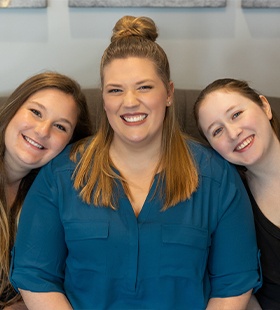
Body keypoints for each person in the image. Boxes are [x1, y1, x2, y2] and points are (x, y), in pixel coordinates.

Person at [10, 17, 261, 309]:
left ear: (168, 93)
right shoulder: (60, 174)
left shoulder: (217, 177)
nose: (129, 102)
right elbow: (36, 275)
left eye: (144, 88)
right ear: (103, 99)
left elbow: (234, 283)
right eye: (115, 90)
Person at [0, 71, 93, 310]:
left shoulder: (54, 194)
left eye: (60, 126)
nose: (42, 131)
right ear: (13, 108)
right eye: (36, 112)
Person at [193, 78, 280, 309]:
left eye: (236, 114)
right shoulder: (230, 200)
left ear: (265, 106)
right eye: (217, 131)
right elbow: (237, 286)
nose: (233, 133)